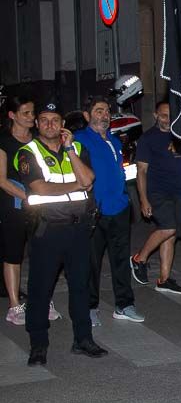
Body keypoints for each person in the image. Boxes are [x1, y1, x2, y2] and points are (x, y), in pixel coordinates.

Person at [17, 101, 107, 365]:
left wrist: (70, 150)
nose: (49, 125)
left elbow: (89, 180)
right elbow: (40, 188)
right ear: (36, 124)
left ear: (62, 125)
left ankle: (83, 339)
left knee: (81, 285)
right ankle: (38, 344)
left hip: (78, 228)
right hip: (47, 229)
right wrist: (75, 184)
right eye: (43, 120)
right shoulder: (27, 151)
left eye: (55, 120)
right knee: (40, 289)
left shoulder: (77, 147)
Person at [76, 96, 144, 326]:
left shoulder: (114, 140)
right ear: (87, 116)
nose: (104, 115)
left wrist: (126, 198)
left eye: (106, 111)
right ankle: (90, 307)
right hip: (95, 211)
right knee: (92, 262)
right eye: (98, 111)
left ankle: (124, 305)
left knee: (120, 260)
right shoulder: (79, 140)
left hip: (119, 209)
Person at [131, 100, 181, 295]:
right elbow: (141, 171)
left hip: (179, 193)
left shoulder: (179, 136)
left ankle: (164, 279)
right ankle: (140, 258)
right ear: (156, 116)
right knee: (168, 227)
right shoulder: (148, 139)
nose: (167, 120)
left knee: (171, 235)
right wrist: (143, 199)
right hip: (157, 192)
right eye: (163, 115)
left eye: (170, 116)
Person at [1, 95, 36, 325]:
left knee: (42, 251)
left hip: (40, 203)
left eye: (33, 112)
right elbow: (2, 180)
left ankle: (39, 299)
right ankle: (14, 304)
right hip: (13, 204)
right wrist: (28, 197)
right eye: (26, 113)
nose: (31, 117)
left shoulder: (37, 139)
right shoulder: (4, 141)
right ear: (12, 115)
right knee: (13, 253)